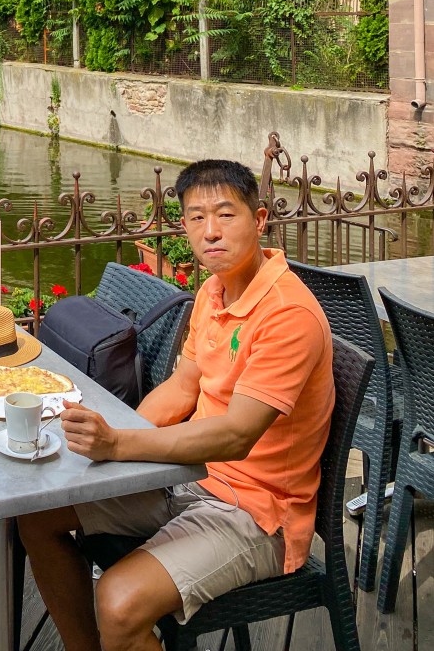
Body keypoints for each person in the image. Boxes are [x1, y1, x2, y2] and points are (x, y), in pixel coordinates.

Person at [18, 159, 334, 651]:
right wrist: (102, 442)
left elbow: (236, 434)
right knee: (38, 515)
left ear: (261, 218)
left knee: (119, 602)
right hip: (187, 478)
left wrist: (121, 444)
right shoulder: (213, 291)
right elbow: (182, 389)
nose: (211, 232)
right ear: (184, 225)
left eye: (226, 215)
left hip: (255, 511)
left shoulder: (287, 315)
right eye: (196, 217)